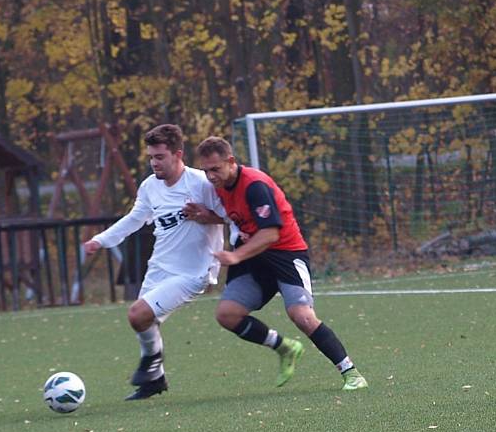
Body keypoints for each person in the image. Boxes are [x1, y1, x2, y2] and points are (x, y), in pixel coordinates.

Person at [189, 136, 368, 391]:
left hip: (285, 254)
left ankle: (351, 372)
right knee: (227, 314)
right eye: (206, 170)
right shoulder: (218, 187)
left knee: (302, 316)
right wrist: (210, 218)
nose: (210, 176)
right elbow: (237, 217)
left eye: (215, 169)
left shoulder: (255, 185)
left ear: (231, 161)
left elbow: (271, 233)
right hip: (253, 257)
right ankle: (285, 348)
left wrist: (236, 256)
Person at [83, 124, 225, 400]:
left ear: (177, 154)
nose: (154, 162)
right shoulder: (150, 186)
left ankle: (152, 364)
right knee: (143, 321)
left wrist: (207, 215)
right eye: (151, 157)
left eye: (160, 156)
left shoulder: (201, 184)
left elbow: (229, 215)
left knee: (138, 313)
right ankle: (155, 381)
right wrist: (100, 240)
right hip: (160, 266)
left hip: (193, 271)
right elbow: (135, 219)